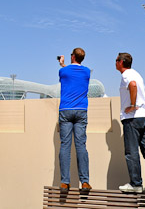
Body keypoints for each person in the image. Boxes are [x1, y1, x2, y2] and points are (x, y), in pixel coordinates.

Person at [115, 53, 145, 193]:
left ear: (122, 62)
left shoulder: (126, 75)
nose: (115, 63)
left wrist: (133, 105)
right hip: (144, 117)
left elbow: (132, 85)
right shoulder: (137, 74)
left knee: (131, 151)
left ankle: (135, 184)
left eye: (116, 61)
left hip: (132, 118)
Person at [57, 48, 92, 193]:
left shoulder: (63, 71)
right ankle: (84, 182)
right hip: (81, 111)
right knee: (81, 146)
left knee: (65, 145)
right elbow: (75, 73)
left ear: (72, 56)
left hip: (65, 110)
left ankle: (65, 182)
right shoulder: (87, 72)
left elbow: (66, 74)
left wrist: (62, 64)